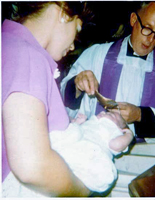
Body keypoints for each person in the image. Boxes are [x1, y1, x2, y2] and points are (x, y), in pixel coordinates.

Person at [60, 1, 155, 144]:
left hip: (148, 155)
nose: (151, 39)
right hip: (98, 149)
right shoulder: (96, 55)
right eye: (147, 28)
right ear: (133, 19)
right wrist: (77, 85)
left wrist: (139, 115)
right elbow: (63, 100)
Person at [2, 2, 94, 197]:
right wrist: (82, 191)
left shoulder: (7, 43)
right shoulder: (28, 55)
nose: (73, 45)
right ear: (62, 11)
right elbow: (32, 166)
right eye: (76, 30)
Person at [2, 111, 133, 197]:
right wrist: (78, 122)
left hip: (89, 152)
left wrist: (129, 135)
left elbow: (115, 145)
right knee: (69, 134)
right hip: (73, 144)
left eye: (113, 115)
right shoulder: (93, 121)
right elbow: (79, 130)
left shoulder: (114, 131)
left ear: (119, 128)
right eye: (107, 111)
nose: (104, 112)